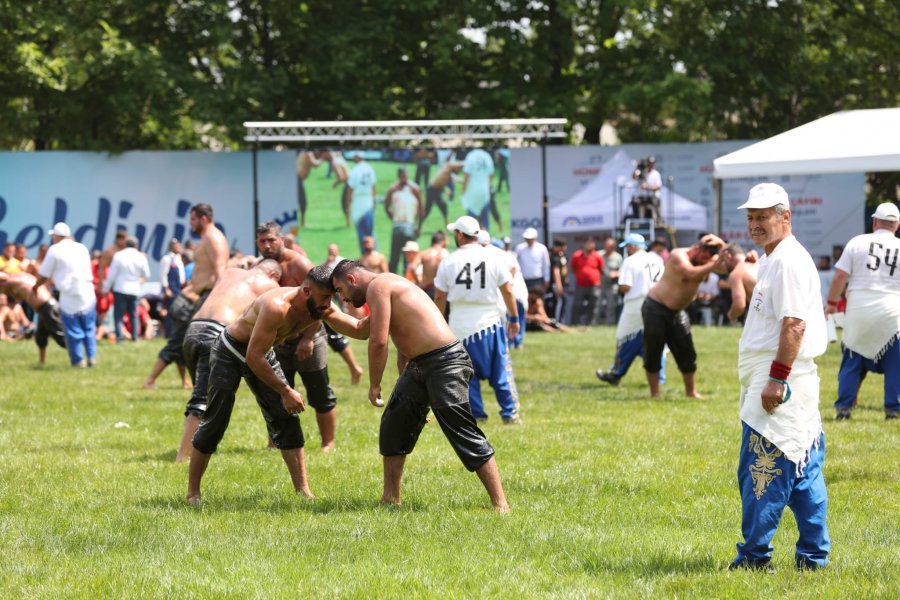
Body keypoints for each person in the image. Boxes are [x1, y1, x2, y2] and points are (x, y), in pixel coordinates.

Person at [324, 260, 510, 511]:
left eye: (339, 290)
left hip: (446, 362)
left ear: (352, 279)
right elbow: (360, 330)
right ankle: (391, 498)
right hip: (421, 364)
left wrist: (375, 385)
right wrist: (327, 312)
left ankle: (500, 503)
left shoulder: (379, 286)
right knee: (394, 423)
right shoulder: (386, 285)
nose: (342, 298)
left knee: (460, 429)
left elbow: (379, 342)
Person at [730, 182, 829, 572]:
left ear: (785, 217)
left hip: (781, 379)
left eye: (764, 216)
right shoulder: (775, 257)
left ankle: (754, 558)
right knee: (804, 473)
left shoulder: (787, 260)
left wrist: (777, 378)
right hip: (792, 379)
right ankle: (813, 558)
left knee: (762, 470)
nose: (755, 223)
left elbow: (794, 325)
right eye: (751, 217)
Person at [187, 264, 336, 504]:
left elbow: (354, 326)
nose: (329, 303)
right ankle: (193, 492)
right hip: (231, 351)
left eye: (332, 297)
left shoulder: (318, 306)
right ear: (307, 291)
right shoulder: (276, 305)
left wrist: (382, 318)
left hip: (261, 352)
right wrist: (286, 390)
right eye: (326, 297)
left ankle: (303, 491)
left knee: (287, 419)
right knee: (216, 420)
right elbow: (252, 357)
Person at [176, 259, 283, 463]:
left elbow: (223, 266)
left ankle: (194, 447)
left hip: (193, 330)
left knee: (201, 394)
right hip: (216, 331)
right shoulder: (269, 285)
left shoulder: (229, 272)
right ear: (273, 275)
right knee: (202, 400)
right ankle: (183, 456)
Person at [256, 222, 342, 450]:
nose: (266, 245)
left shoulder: (299, 265)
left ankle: (328, 442)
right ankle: (275, 441)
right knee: (278, 392)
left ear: (281, 239)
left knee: (319, 392)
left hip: (309, 336)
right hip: (279, 339)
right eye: (262, 241)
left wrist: (307, 339)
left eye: (271, 240)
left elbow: (322, 301)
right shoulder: (261, 267)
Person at [434, 216, 522, 424]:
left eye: (455, 232)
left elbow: (439, 297)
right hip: (490, 322)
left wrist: (438, 324)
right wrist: (514, 317)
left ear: (460, 235)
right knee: (500, 371)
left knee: (465, 374)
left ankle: (477, 414)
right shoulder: (493, 258)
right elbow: (508, 291)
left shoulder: (449, 261)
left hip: (460, 323)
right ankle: (510, 413)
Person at [826, 201, 900, 421]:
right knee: (895, 364)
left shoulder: (857, 242)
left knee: (852, 361)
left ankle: (844, 409)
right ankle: (893, 410)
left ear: (874, 221)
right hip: (892, 313)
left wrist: (831, 302)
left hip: (859, 311)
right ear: (897, 225)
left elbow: (840, 276)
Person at [145, 203, 228, 389]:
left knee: (188, 342)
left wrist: (218, 299)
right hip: (196, 297)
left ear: (203, 219)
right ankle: (191, 382)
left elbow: (220, 270)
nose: (190, 223)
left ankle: (155, 380)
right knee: (185, 342)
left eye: (193, 219)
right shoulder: (206, 238)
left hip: (207, 297)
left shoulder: (214, 238)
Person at [641, 233, 726, 398]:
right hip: (655, 308)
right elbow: (690, 273)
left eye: (709, 258)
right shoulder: (678, 255)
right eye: (704, 256)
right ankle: (655, 394)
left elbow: (726, 266)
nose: (705, 260)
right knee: (653, 351)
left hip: (678, 312)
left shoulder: (707, 261)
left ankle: (691, 392)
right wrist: (713, 264)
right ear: (697, 248)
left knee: (687, 352)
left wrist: (721, 244)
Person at [596, 233, 665, 386]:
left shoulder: (630, 261)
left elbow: (626, 286)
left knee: (624, 337)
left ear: (633, 246)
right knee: (655, 340)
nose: (627, 250)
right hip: (656, 303)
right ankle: (660, 376)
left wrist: (619, 285)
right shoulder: (657, 259)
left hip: (636, 304)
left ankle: (616, 373)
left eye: (627, 247)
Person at [33, 223, 97, 367]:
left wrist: (36, 286)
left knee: (73, 328)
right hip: (87, 290)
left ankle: (78, 360)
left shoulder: (55, 250)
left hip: (68, 292)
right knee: (88, 326)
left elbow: (44, 274)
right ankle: (91, 357)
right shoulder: (82, 248)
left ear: (56, 236)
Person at [0, 271, 66, 362]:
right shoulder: (21, 276)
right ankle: (42, 362)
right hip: (45, 308)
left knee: (61, 338)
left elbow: (5, 285)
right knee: (40, 337)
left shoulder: (13, 281)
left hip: (48, 308)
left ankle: (79, 359)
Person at [102, 236, 150, 343]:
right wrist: (139, 281)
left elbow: (111, 275)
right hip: (134, 290)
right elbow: (146, 274)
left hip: (120, 289)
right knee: (134, 315)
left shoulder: (119, 256)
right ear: (136, 245)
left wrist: (106, 288)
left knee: (118, 316)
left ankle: (120, 339)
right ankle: (135, 338)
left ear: (125, 244)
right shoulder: (140, 257)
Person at [384, 167, 422, 275]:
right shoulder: (393, 189)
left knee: (409, 259)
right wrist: (394, 218)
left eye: (405, 176)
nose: (404, 178)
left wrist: (419, 226)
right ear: (399, 176)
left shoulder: (414, 189)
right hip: (398, 225)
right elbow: (387, 207)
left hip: (410, 225)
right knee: (394, 258)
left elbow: (421, 209)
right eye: (402, 176)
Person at [570, 237, 604, 330]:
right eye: (588, 243)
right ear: (584, 245)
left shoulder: (597, 256)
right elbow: (573, 268)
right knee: (577, 305)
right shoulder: (576, 255)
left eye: (592, 244)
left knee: (593, 306)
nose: (590, 246)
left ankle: (591, 324)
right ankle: (576, 324)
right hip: (580, 285)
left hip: (594, 285)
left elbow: (601, 269)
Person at [346, 152, 377, 252]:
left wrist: (347, 205)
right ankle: (374, 254)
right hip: (368, 201)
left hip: (358, 202)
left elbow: (350, 189)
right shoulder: (369, 168)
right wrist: (373, 201)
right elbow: (373, 187)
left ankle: (365, 256)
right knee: (370, 232)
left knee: (362, 232)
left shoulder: (355, 170)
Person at [723, 243, 759, 324]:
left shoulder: (736, 273)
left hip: (768, 317)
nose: (723, 265)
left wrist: (731, 315)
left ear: (728, 257)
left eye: (723, 261)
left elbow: (739, 305)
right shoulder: (756, 263)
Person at [460, 147, 494, 228]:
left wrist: (463, 189)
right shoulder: (487, 156)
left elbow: (466, 175)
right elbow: (491, 174)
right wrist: (488, 187)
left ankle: (470, 239)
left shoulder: (470, 156)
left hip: (473, 192)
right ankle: (486, 238)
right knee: (485, 218)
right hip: (484, 192)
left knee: (471, 221)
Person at [159, 239, 186, 337]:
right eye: (177, 246)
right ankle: (168, 334)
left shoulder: (178, 259)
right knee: (170, 312)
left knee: (177, 312)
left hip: (178, 289)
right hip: (170, 289)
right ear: (171, 247)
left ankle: (175, 333)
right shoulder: (167, 259)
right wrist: (166, 288)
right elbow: (163, 275)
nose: (179, 248)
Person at [515, 228, 550, 293]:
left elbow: (546, 265)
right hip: (523, 279)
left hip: (538, 280)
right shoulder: (520, 248)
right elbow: (514, 263)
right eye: (527, 239)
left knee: (537, 300)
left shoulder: (542, 248)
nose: (528, 240)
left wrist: (547, 279)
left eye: (530, 239)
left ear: (535, 238)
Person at [296, 150, 324, 228]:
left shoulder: (303, 153)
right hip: (297, 180)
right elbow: (315, 164)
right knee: (303, 202)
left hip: (298, 180)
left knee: (303, 202)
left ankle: (302, 222)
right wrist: (323, 158)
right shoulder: (309, 153)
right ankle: (302, 222)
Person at [599, 237, 623, 325]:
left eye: (609, 246)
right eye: (606, 245)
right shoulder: (599, 254)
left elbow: (622, 271)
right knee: (598, 306)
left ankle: (610, 323)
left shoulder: (618, 257)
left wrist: (616, 273)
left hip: (612, 285)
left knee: (611, 306)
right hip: (600, 284)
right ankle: (595, 324)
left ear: (613, 247)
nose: (607, 247)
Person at [418, 231, 448, 299]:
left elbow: (413, 267)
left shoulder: (424, 253)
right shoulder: (445, 254)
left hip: (426, 289)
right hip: (441, 290)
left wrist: (419, 282)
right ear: (443, 241)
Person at [546, 238, 569, 322]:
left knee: (563, 302)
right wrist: (559, 285)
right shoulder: (554, 256)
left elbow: (563, 269)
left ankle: (560, 320)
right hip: (556, 284)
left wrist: (566, 279)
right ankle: (557, 321)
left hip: (562, 284)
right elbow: (556, 272)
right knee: (559, 302)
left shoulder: (562, 256)